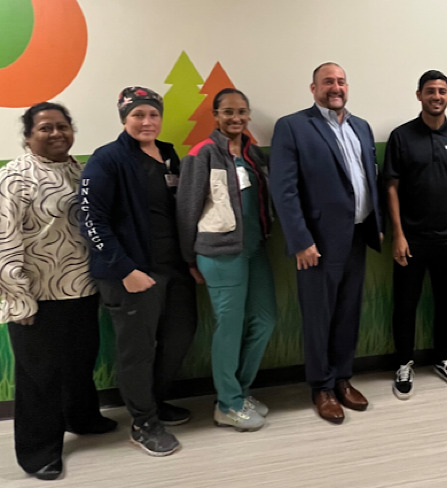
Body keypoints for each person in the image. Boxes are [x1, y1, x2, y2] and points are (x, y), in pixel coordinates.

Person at [0, 103, 116, 481]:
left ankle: (81, 418)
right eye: (46, 128)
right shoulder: (14, 177)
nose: (56, 134)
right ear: (28, 135)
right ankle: (38, 452)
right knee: (39, 376)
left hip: (81, 288)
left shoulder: (78, 170)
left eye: (62, 127)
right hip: (38, 296)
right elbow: (4, 240)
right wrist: (18, 298)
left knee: (81, 362)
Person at [79, 87, 197, 456]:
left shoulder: (168, 155)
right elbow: (90, 220)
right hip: (131, 274)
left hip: (173, 269)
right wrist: (125, 269)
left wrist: (191, 261)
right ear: (123, 119)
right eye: (137, 115)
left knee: (180, 336)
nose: (147, 122)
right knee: (137, 351)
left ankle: (156, 402)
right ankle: (143, 422)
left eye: (153, 114)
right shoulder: (107, 159)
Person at [270, 62, 382, 424]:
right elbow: (284, 190)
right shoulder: (293, 127)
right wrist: (300, 240)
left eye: (341, 81)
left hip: (357, 236)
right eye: (327, 82)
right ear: (313, 88)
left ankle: (343, 379)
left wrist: (376, 223)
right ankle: (321, 387)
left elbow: (368, 179)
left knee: (348, 313)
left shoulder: (361, 127)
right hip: (316, 244)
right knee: (319, 317)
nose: (335, 87)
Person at [176, 88, 276, 432]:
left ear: (248, 115)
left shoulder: (252, 154)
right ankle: (227, 404)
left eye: (242, 112)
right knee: (229, 329)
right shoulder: (201, 155)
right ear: (215, 116)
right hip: (219, 254)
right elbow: (187, 210)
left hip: (255, 250)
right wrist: (189, 259)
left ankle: (240, 391)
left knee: (265, 320)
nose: (236, 118)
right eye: (228, 112)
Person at [383, 70, 447, 399]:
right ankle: (404, 362)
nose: (437, 96)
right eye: (430, 91)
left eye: (442, 91)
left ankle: (442, 358)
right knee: (405, 304)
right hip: (412, 239)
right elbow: (391, 187)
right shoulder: (401, 136)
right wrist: (398, 234)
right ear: (419, 95)